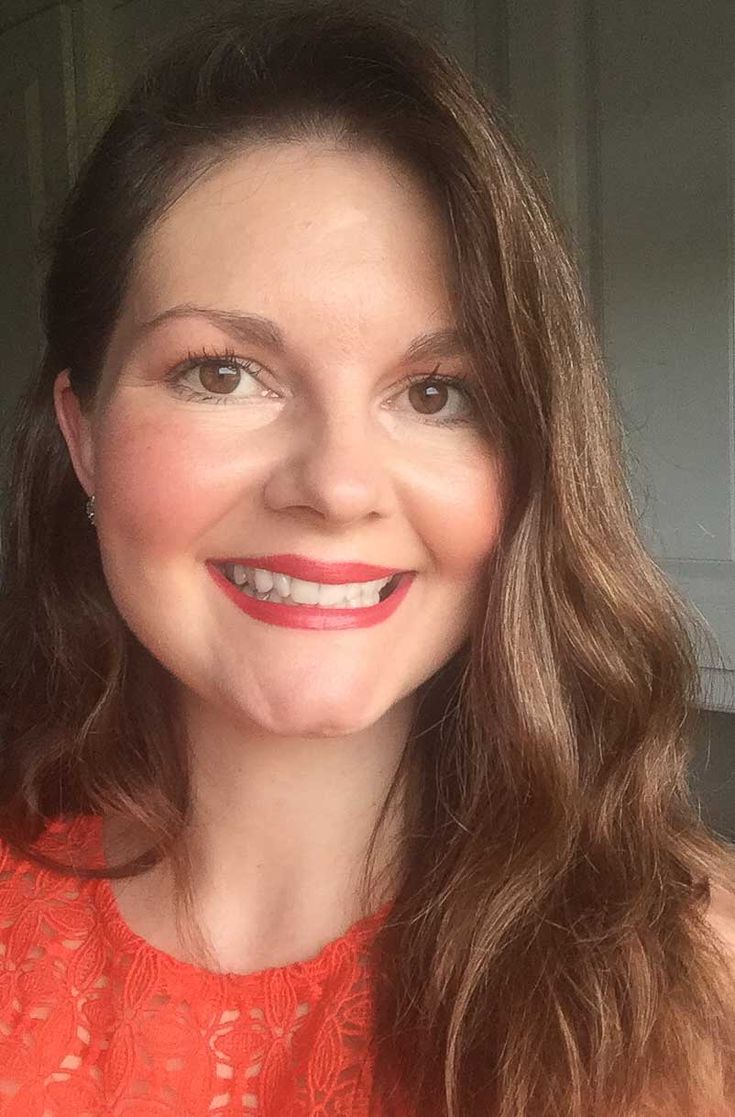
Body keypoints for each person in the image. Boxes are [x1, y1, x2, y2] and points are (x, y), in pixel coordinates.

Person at [0, 0, 734, 1114]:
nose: (337, 485)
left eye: (436, 393)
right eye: (222, 372)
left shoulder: (699, 979)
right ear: (83, 433)